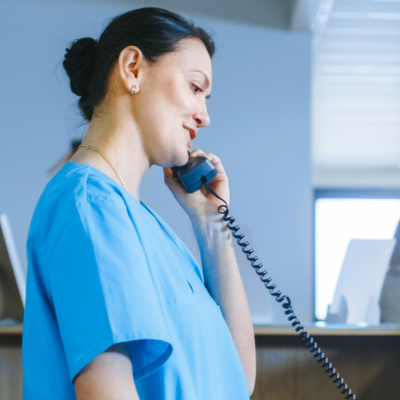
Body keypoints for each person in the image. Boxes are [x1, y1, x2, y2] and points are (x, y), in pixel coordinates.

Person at [22, 7, 256, 400]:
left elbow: (237, 378)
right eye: (195, 88)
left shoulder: (143, 226)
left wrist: (212, 227)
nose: (205, 115)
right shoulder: (90, 207)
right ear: (132, 68)